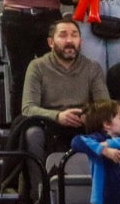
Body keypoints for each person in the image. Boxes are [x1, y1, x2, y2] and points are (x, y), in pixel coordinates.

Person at [19, 19, 108, 161]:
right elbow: (28, 108)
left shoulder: (92, 67)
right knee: (32, 134)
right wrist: (58, 116)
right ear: (51, 43)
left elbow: (105, 106)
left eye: (74, 35)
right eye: (63, 35)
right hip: (49, 124)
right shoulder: (37, 66)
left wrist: (88, 116)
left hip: (84, 124)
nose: (69, 40)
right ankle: (40, 183)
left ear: (81, 42)